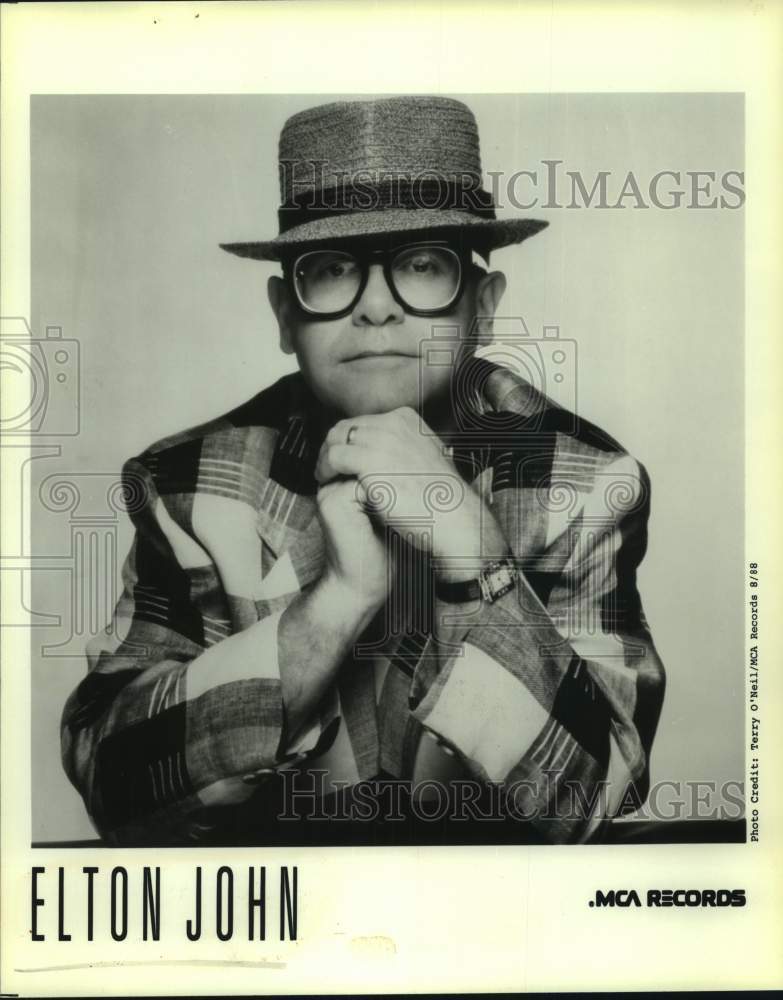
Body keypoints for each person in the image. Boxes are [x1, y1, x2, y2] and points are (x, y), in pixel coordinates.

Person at [61, 96, 665, 847]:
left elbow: (596, 797)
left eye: (421, 266)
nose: (375, 308)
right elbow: (116, 788)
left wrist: (478, 569)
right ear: (286, 315)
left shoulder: (583, 485)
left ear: (482, 308)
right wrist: (336, 602)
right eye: (331, 270)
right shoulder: (187, 485)